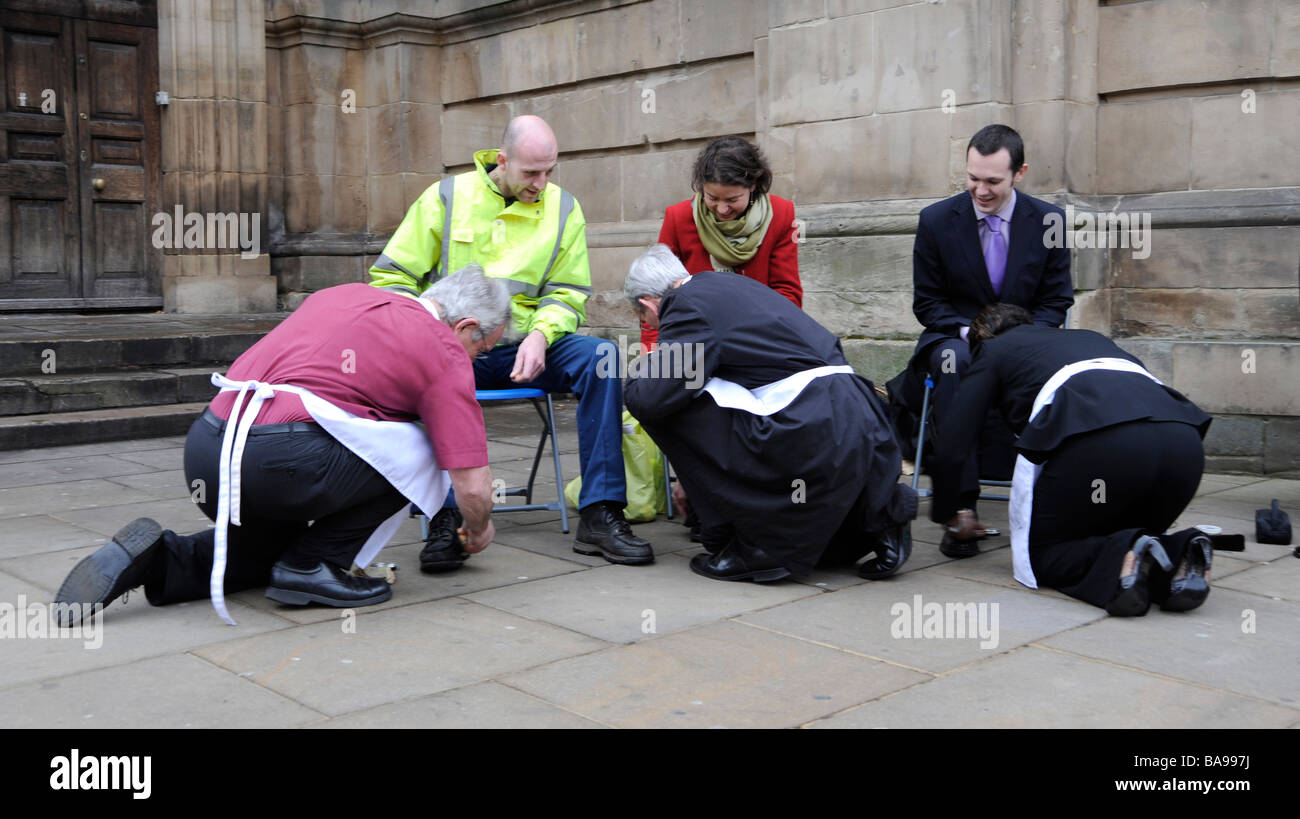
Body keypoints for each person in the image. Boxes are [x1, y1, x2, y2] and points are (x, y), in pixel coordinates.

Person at [54, 267, 511, 625]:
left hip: (209, 451)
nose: (478, 360)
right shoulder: (443, 348)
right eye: (482, 348)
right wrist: (480, 528)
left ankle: (158, 561)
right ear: (465, 326)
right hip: (280, 461)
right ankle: (315, 565)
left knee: (266, 554)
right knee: (425, 449)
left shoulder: (346, 293)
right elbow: (470, 483)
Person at [369, 114, 653, 569]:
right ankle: (446, 519)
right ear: (502, 161)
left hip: (528, 346)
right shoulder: (446, 197)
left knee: (601, 357)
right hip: (455, 349)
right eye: (530, 173)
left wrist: (541, 336)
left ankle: (601, 511)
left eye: (549, 172)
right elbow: (391, 278)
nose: (541, 183)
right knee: (417, 379)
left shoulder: (564, 208)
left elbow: (569, 292)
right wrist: (433, 337)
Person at [623, 245, 916, 582]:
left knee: (646, 393)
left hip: (811, 420)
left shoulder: (686, 306)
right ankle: (884, 520)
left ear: (648, 303)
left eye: (644, 320)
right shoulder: (729, 285)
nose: (651, 327)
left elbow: (653, 398)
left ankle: (761, 545)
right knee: (687, 385)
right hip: (859, 415)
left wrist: (640, 371)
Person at [930, 304, 1215, 616]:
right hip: (1183, 447)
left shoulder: (993, 350)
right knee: (1109, 533)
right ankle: (1180, 555)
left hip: (1104, 445)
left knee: (1042, 554)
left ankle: (1126, 558)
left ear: (980, 340)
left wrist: (950, 512)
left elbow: (953, 442)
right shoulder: (1092, 339)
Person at [900, 123, 1074, 556]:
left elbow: (1057, 301)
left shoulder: (1049, 221)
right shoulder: (937, 221)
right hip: (954, 339)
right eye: (973, 178)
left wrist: (1019, 340)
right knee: (954, 362)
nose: (980, 190)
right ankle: (960, 509)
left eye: (993, 181)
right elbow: (928, 304)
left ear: (1020, 172)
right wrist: (972, 333)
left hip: (1027, 343)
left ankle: (1057, 501)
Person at [648, 135, 802, 349]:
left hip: (760, 341)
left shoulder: (782, 214)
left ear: (753, 186)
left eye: (732, 200)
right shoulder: (678, 217)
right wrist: (653, 352)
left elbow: (788, 294)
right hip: (694, 342)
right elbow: (657, 291)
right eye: (712, 197)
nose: (722, 209)